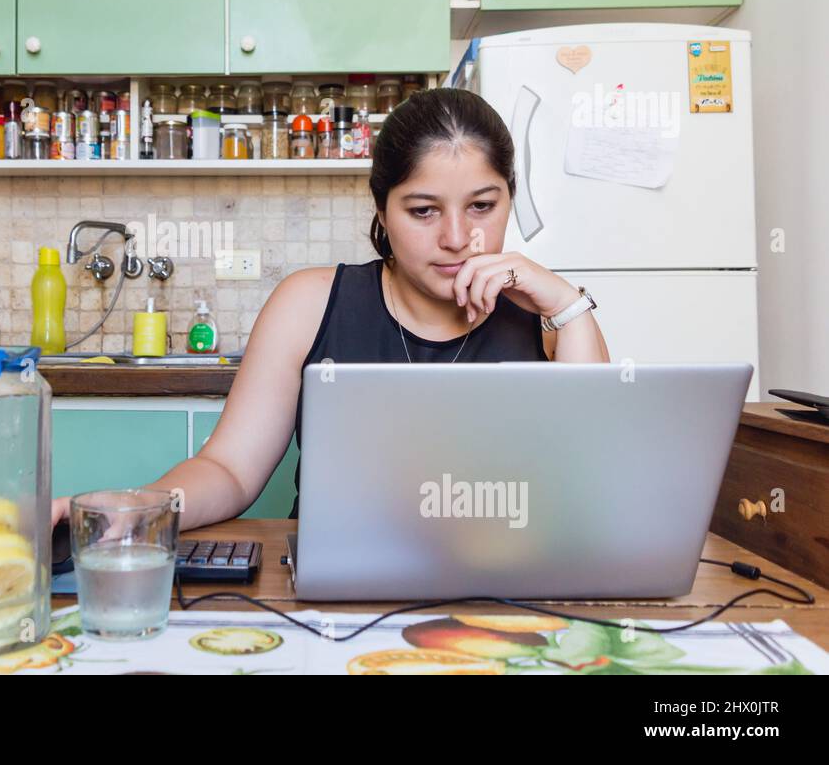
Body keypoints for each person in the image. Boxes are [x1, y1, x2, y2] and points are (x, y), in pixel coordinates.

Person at [53, 87, 609, 529]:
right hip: (332, 598)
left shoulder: (551, 317)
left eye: (483, 206)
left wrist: (568, 304)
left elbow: (591, 483)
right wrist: (139, 508)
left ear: (511, 197)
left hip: (503, 584)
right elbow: (229, 469)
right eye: (422, 211)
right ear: (382, 210)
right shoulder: (308, 303)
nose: (458, 236)